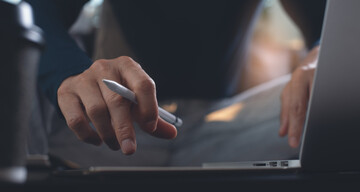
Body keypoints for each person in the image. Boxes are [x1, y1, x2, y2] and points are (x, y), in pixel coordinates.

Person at [27, 0, 326, 158]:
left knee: (337, 89)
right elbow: (36, 11)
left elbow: (324, 21)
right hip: (118, 128)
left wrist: (324, 55)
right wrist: (69, 72)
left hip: (227, 129)